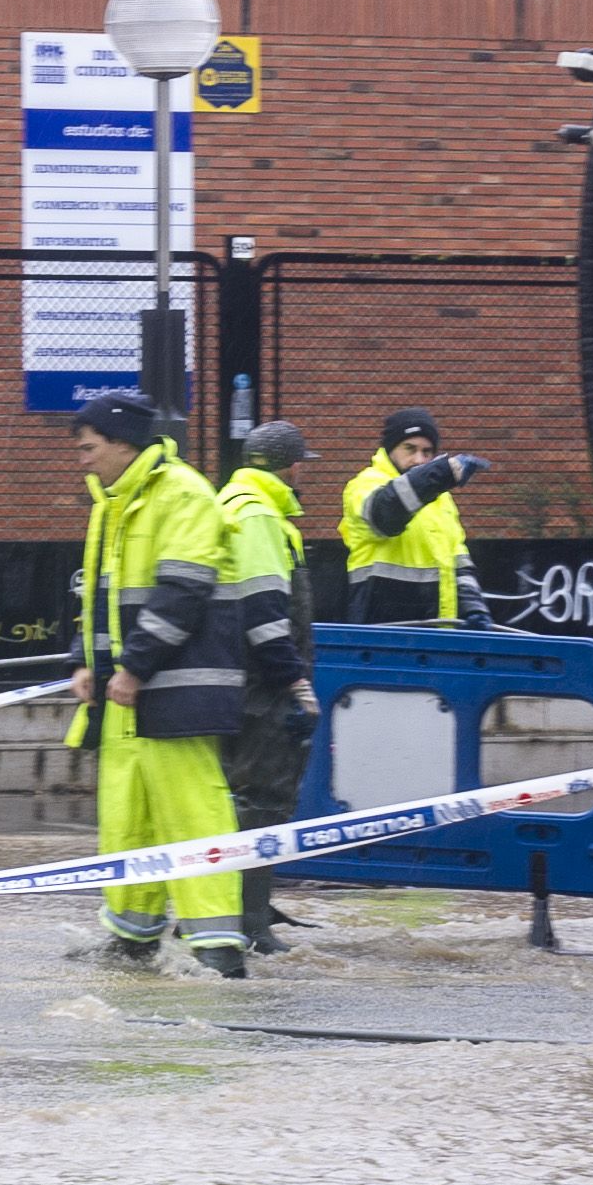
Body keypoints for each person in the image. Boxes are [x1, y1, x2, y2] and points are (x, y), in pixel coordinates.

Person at [66, 386, 252, 977]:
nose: (82, 457)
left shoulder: (183, 495)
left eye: (90, 446)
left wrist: (134, 667)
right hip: (126, 696)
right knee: (128, 821)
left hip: (172, 690)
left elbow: (184, 589)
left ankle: (218, 952)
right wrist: (85, 660)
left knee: (193, 818)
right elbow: (97, 596)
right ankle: (131, 940)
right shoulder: (113, 502)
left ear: (123, 443)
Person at [218, 418, 323, 953]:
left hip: (244, 682)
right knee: (262, 800)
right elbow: (264, 608)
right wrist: (293, 680)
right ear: (291, 466)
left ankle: (238, 912)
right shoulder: (260, 516)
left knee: (243, 797)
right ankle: (250, 924)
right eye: (302, 461)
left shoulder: (234, 504)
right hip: (264, 688)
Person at [339, 405, 489, 624]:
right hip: (383, 630)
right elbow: (386, 515)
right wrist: (439, 474)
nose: (419, 459)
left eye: (427, 452)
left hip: (437, 629)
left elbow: (458, 561)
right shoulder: (364, 485)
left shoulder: (441, 499)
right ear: (390, 449)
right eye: (410, 449)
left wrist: (474, 608)